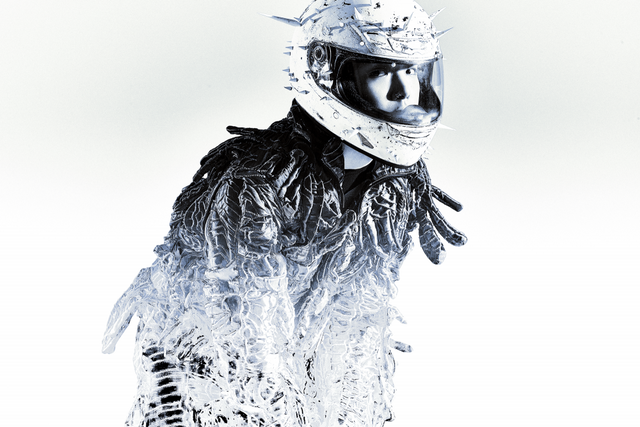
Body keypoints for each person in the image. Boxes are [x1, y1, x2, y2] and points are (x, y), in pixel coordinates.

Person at [102, 1, 466, 426]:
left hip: (297, 338)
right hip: (193, 351)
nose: (404, 92)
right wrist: (276, 396)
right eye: (380, 72)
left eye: (411, 71)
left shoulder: (396, 184)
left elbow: (362, 314)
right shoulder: (257, 179)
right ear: (326, 71)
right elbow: (250, 314)